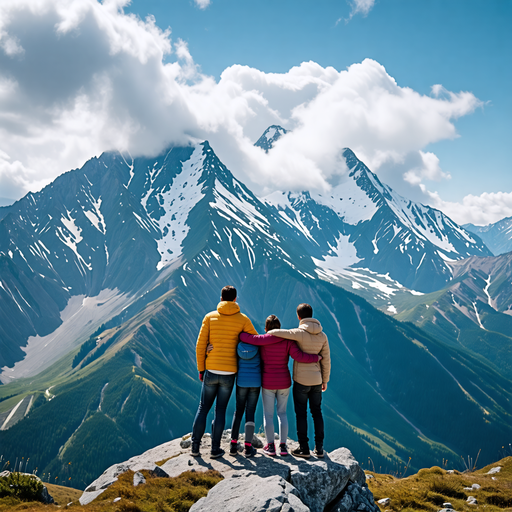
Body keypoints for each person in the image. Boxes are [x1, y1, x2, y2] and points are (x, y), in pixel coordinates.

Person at [240, 314, 322, 457]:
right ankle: (283, 446)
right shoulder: (287, 341)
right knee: (282, 413)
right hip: (284, 382)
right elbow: (299, 356)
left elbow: (245, 338)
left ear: (266, 328)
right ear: (279, 328)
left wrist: (238, 331)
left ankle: (270, 446)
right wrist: (316, 358)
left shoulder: (263, 340)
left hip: (268, 382)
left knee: (268, 415)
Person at [191, 285, 257, 458]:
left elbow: (199, 346)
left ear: (221, 299)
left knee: (203, 407)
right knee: (220, 410)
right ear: (235, 299)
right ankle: (215, 449)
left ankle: (195, 447)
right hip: (229, 373)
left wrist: (201, 368)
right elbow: (255, 341)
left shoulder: (210, 317)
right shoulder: (243, 320)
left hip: (210, 370)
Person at [268, 303, 330, 459]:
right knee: (317, 412)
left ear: (299, 317)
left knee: (301, 414)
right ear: (311, 314)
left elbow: (281, 333)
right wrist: (325, 380)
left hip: (301, 382)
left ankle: (304, 448)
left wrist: (269, 331)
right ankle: (320, 448)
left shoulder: (298, 333)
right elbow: (326, 360)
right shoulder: (323, 336)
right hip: (316, 381)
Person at [228, 341, 261, 457]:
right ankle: (248, 447)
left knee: (238, 411)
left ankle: (233, 445)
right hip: (255, 382)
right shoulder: (258, 345)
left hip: (241, 382)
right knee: (250, 411)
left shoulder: (238, 346)